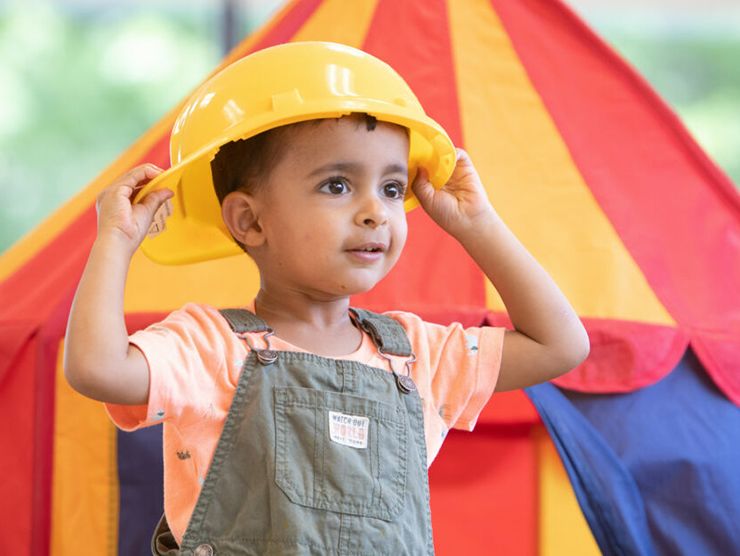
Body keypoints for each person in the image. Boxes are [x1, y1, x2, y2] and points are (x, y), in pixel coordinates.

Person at [64, 42, 589, 555]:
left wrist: (479, 226)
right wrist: (115, 241)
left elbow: (560, 344)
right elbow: (97, 368)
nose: (375, 212)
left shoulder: (414, 359)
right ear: (250, 220)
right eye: (337, 186)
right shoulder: (210, 348)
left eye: (391, 187)